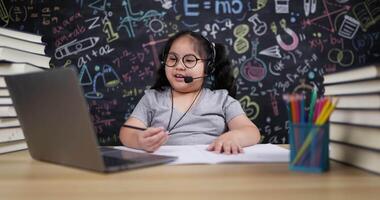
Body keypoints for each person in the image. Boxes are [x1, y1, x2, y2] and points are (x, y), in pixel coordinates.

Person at [119, 30, 260, 154]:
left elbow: (251, 131)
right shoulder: (152, 99)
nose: (179, 66)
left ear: (208, 67)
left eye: (189, 60)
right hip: (165, 170)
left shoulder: (222, 100)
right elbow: (127, 132)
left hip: (212, 166)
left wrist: (233, 137)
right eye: (172, 59)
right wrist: (139, 140)